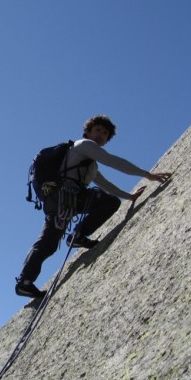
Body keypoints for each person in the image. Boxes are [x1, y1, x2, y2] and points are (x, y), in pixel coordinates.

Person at [15, 115, 172, 299]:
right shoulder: (84, 146)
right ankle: (73, 240)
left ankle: (30, 277)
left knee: (52, 240)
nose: (101, 135)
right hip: (64, 197)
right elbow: (115, 162)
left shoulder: (90, 162)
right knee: (52, 239)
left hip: (65, 199)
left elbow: (105, 184)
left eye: (105, 133)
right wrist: (147, 174)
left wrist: (129, 196)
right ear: (87, 131)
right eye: (98, 130)